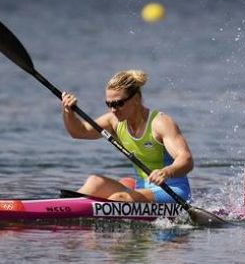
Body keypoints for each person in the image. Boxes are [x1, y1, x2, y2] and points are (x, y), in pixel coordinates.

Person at [61, 70, 194, 203]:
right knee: (95, 181)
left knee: (118, 199)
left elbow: (186, 159)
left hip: (171, 190)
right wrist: (68, 112)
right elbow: (79, 131)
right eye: (109, 104)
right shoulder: (113, 121)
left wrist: (167, 172)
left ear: (136, 99)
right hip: (142, 189)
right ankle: (64, 209)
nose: (113, 109)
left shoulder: (160, 123)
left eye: (119, 103)